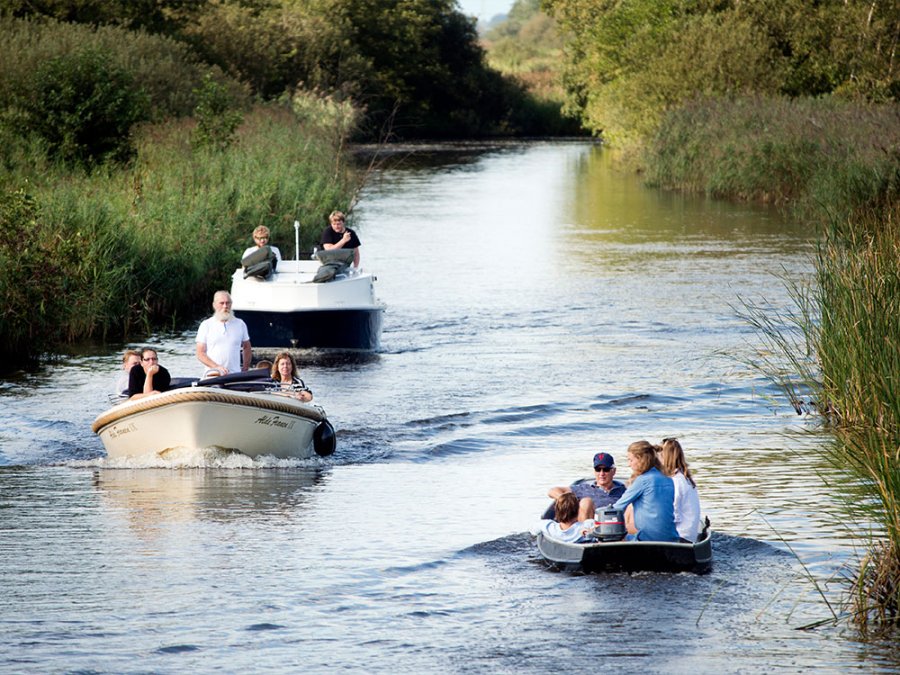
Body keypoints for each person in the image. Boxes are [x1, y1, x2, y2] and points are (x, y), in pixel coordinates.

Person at [612, 440, 679, 542]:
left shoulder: (642, 480)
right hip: (671, 537)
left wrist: (592, 525)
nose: (629, 465)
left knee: (612, 537)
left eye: (630, 460)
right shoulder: (668, 479)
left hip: (647, 539)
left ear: (640, 459)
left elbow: (617, 508)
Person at [548, 451, 627, 521]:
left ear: (613, 471)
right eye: (598, 469)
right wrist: (568, 500)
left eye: (606, 469)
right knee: (586, 503)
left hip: (618, 527)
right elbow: (552, 491)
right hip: (591, 530)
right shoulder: (584, 489)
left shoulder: (625, 490)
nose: (601, 474)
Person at [196, 290, 252, 377]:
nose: (225, 306)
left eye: (228, 303)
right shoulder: (206, 325)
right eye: (221, 303)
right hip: (212, 374)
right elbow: (200, 353)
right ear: (214, 305)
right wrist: (217, 367)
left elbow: (247, 347)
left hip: (235, 375)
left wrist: (245, 368)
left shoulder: (240, 324)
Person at [659, 438, 702, 542]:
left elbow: (674, 514)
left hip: (681, 536)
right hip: (689, 534)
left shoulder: (675, 482)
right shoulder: (685, 478)